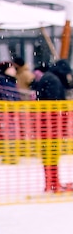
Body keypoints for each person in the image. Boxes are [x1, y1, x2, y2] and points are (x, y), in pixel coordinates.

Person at [31, 60, 73, 191]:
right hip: (51, 125)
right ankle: (53, 183)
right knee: (52, 154)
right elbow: (54, 104)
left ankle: (51, 182)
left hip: (46, 124)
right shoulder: (54, 81)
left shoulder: (49, 77)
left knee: (49, 154)